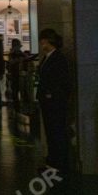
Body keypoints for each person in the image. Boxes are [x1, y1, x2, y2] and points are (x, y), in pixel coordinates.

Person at [37, 28, 71, 173]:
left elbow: (59, 80)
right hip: (49, 100)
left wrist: (50, 94)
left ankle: (56, 163)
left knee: (55, 131)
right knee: (52, 131)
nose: (41, 43)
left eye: (43, 40)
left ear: (48, 41)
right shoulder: (51, 57)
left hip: (54, 101)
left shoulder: (57, 58)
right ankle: (53, 162)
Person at [7, 39, 26, 105]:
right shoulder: (13, 53)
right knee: (16, 90)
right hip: (15, 74)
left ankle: (18, 105)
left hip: (18, 74)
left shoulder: (18, 53)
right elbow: (11, 62)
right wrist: (19, 60)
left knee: (18, 90)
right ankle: (17, 105)